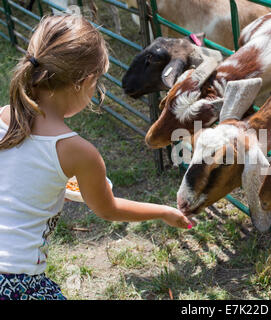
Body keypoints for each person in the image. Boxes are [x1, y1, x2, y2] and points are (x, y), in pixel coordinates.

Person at [0, 14, 193, 300]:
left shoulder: (4, 116)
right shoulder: (77, 151)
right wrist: (164, 212)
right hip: (17, 283)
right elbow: (108, 209)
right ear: (87, 81)